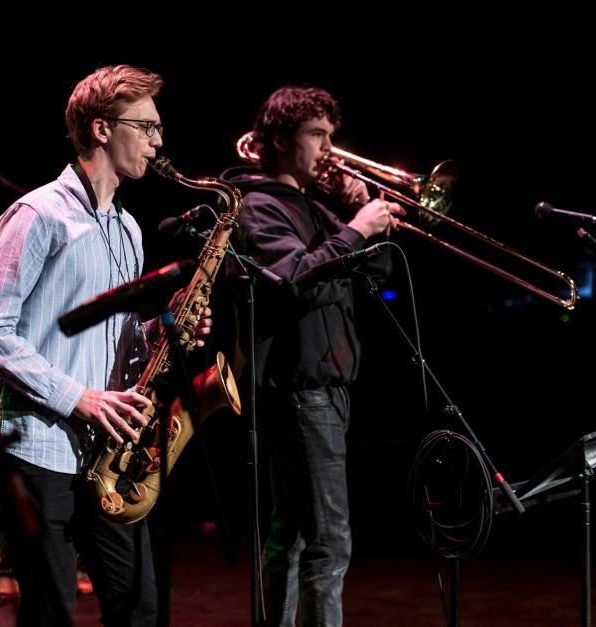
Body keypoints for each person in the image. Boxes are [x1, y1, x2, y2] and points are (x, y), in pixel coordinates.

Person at [0, 64, 210, 626]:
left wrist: (162, 331)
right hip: (37, 451)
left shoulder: (128, 229)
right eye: (146, 127)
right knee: (49, 612)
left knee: (139, 606)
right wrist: (79, 396)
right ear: (101, 129)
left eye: (158, 128)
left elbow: (115, 341)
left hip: (107, 454)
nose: (158, 141)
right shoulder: (37, 214)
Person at [224, 85, 405, 626]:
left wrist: (355, 217)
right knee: (329, 543)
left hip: (323, 388)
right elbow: (292, 280)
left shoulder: (316, 210)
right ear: (279, 139)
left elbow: (377, 272)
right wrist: (354, 231)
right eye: (317, 136)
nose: (330, 150)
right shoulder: (258, 207)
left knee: (297, 537)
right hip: (299, 390)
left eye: (332, 136)